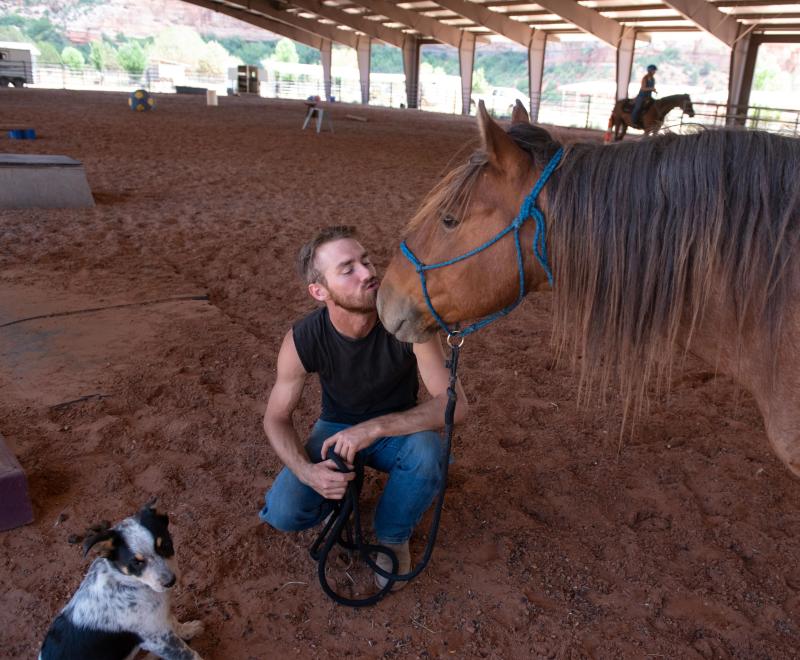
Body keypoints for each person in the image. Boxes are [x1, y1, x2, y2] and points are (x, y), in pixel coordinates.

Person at [259, 225, 468, 590]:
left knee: (428, 449)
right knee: (284, 511)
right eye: (348, 269)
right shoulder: (302, 338)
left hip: (395, 430)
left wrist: (375, 428)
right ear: (319, 291)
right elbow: (275, 417)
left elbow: (455, 405)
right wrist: (307, 473)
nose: (368, 272)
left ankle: (392, 537)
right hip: (335, 428)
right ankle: (340, 502)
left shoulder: (407, 321)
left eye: (366, 260)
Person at [631, 64, 657, 128]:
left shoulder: (653, 79)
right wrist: (651, 89)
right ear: (650, 71)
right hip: (642, 96)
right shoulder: (645, 78)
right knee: (638, 107)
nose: (654, 72)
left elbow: (651, 87)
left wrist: (654, 90)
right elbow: (643, 88)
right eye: (654, 70)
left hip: (648, 96)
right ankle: (633, 121)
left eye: (655, 71)